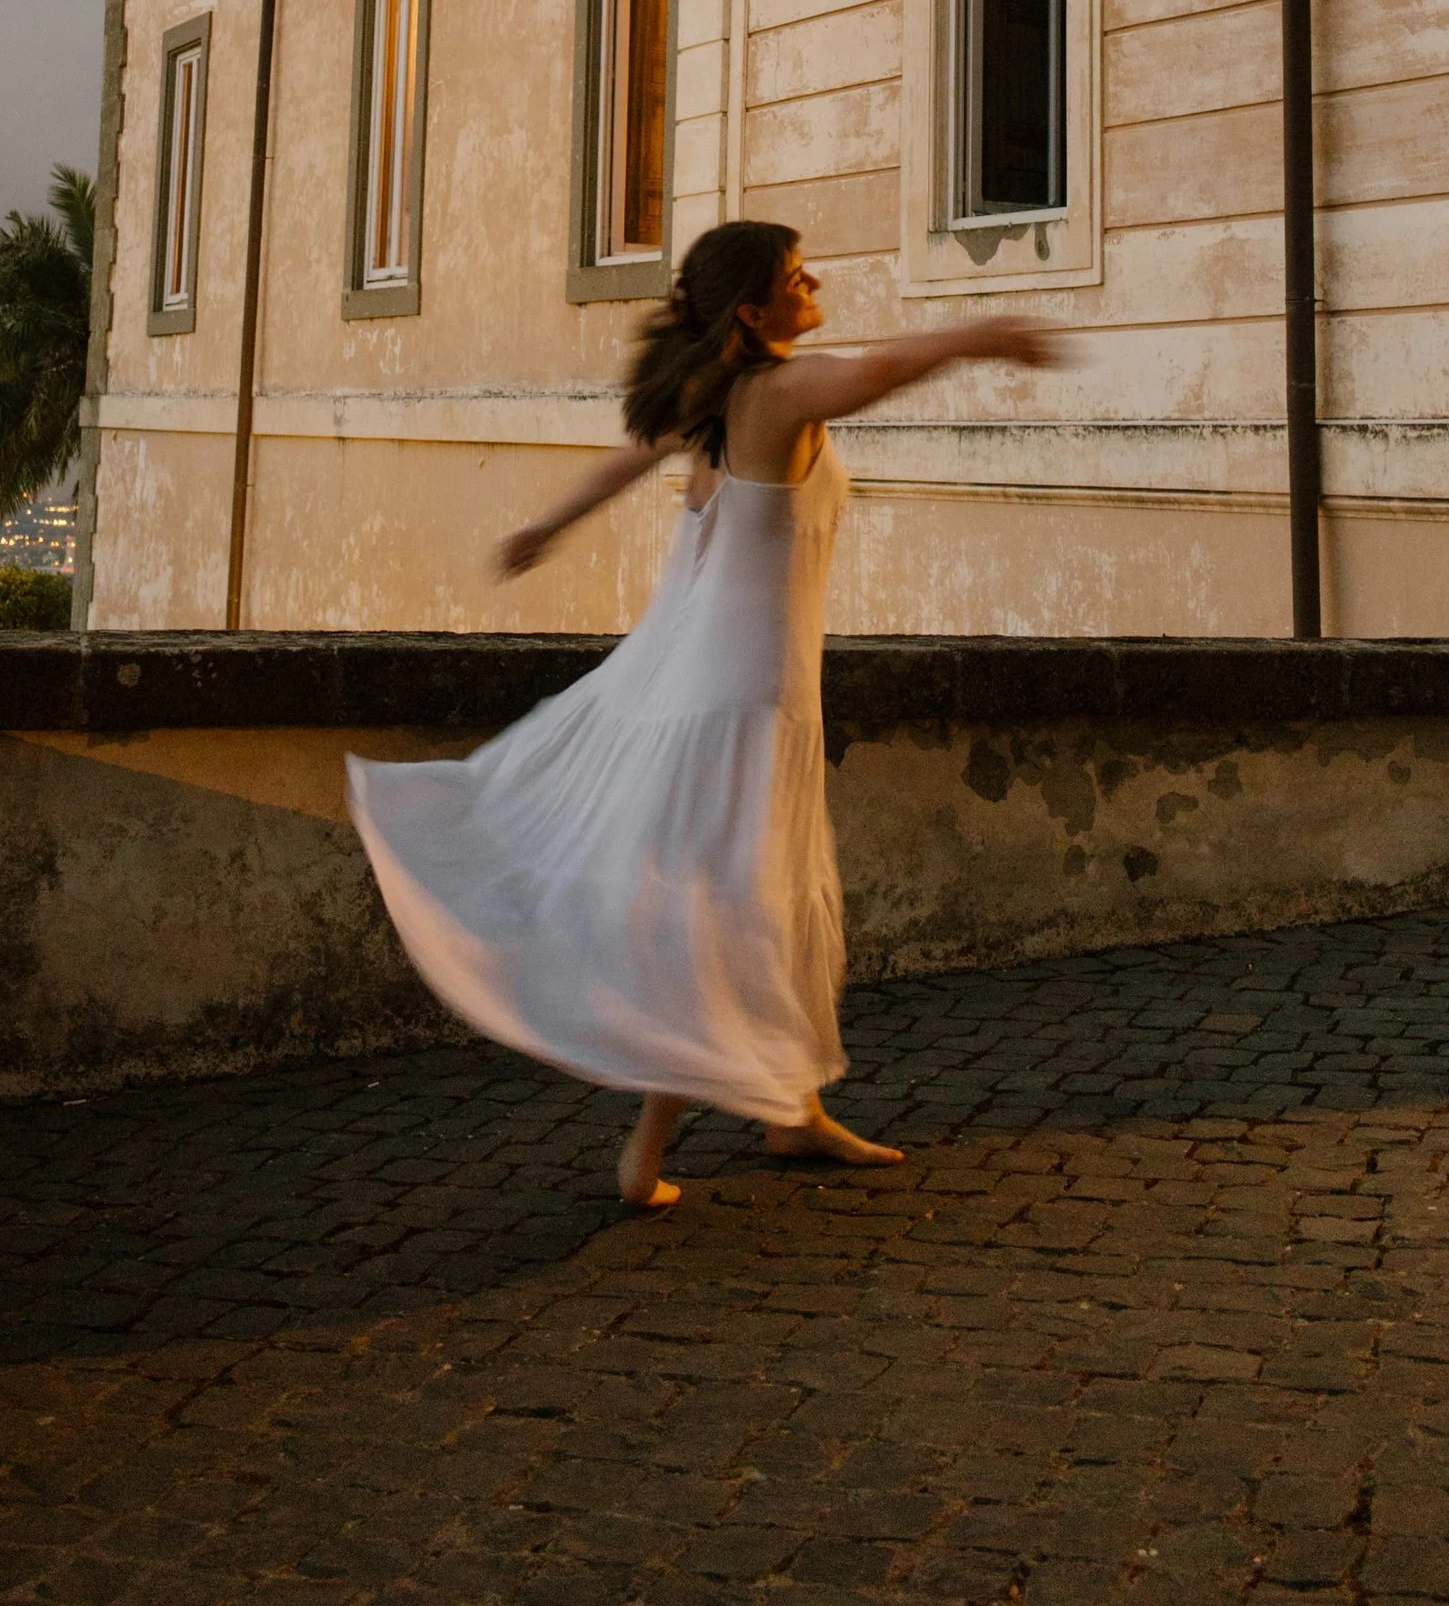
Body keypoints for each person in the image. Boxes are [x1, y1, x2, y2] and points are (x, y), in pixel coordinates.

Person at [346, 218, 1064, 1209]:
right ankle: (646, 1154)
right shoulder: (777, 392)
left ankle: (793, 1113)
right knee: (730, 905)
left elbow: (621, 461)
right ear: (752, 309)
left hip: (693, 679)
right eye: (794, 274)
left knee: (755, 888)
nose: (814, 278)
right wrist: (984, 334)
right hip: (745, 696)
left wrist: (542, 530)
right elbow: (886, 368)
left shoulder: (711, 394)